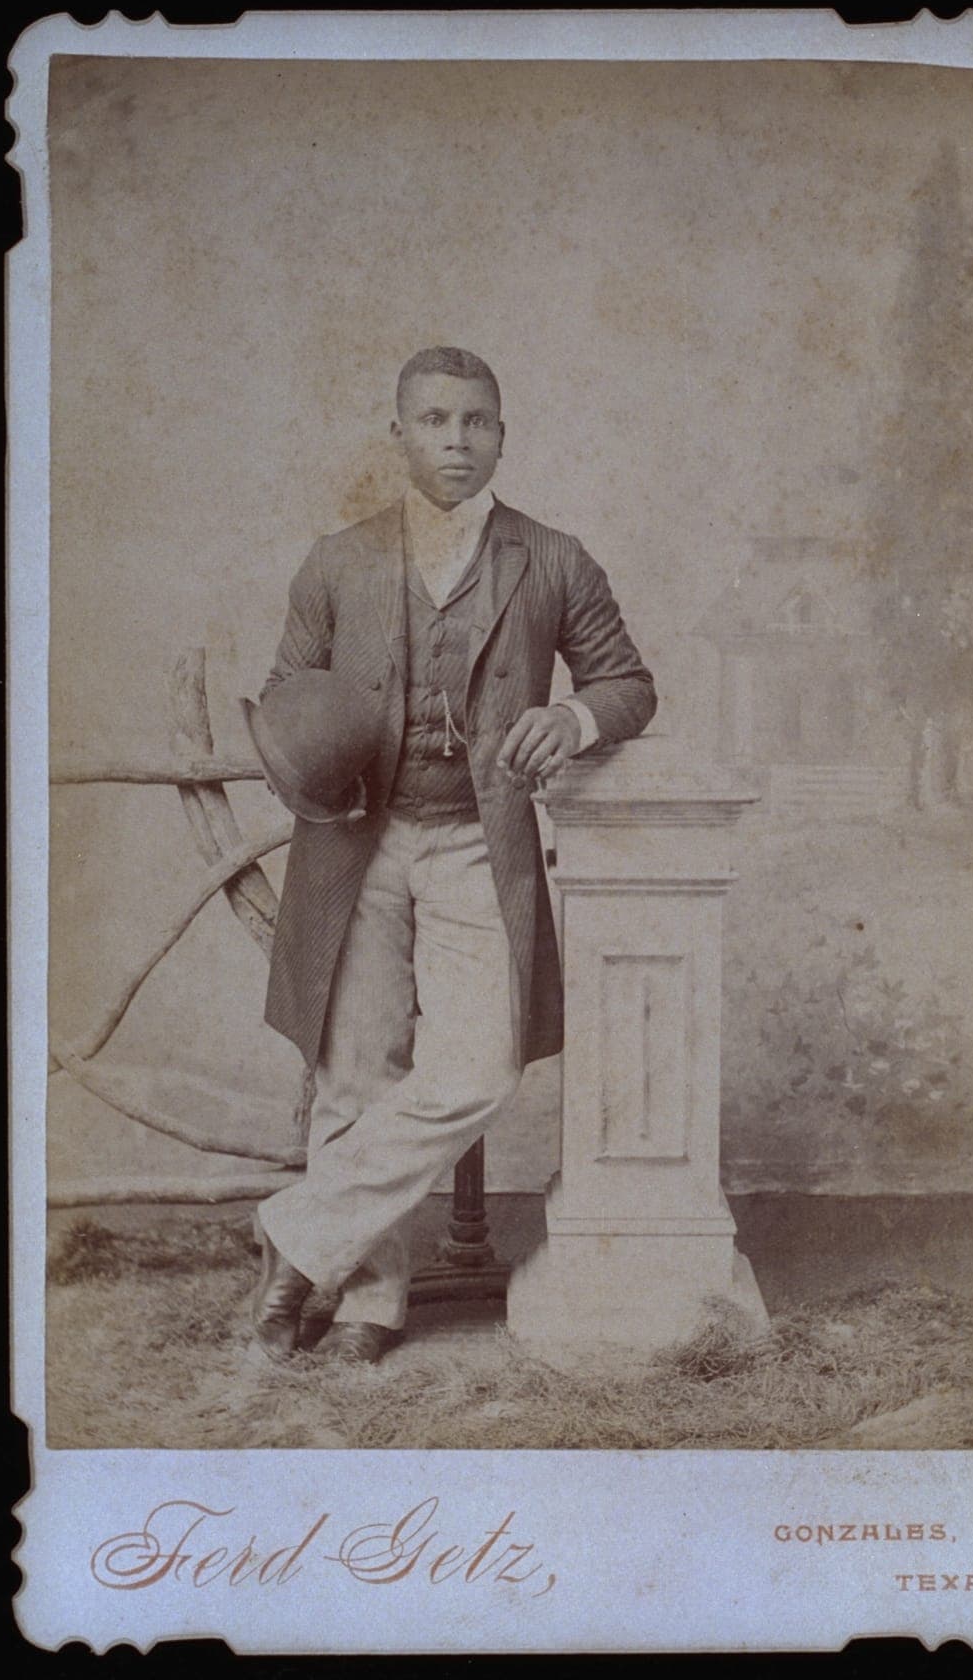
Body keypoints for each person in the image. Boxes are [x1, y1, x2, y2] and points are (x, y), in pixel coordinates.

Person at [249, 346, 657, 1364]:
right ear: (399, 436)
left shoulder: (553, 558)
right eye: (434, 421)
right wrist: (316, 752)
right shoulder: (335, 560)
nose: (457, 440)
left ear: (503, 436)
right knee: (356, 1075)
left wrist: (573, 720)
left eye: (476, 421)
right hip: (357, 845)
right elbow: (288, 693)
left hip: (481, 842)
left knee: (478, 1065)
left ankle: (300, 1236)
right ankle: (367, 1304)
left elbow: (629, 684)